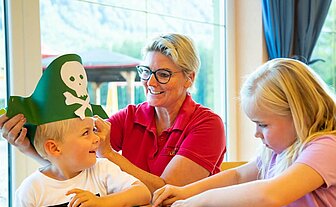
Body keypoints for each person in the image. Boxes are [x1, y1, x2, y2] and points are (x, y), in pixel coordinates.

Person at [0, 33, 226, 194]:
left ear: (189, 78)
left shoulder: (208, 125)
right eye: (145, 71)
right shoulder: (129, 117)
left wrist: (107, 153)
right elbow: (72, 162)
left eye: (164, 74)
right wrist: (26, 146)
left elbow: (167, 192)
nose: (151, 82)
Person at [152, 58, 336, 207]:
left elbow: (271, 194)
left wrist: (203, 199)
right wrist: (186, 192)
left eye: (263, 124)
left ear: (298, 115)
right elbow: (238, 175)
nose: (256, 133)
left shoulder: (328, 147)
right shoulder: (278, 151)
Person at [9, 54, 151, 207]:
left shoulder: (101, 169)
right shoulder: (31, 190)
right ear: (54, 148)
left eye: (93, 130)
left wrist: (100, 203)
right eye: (86, 133)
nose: (97, 138)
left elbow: (142, 193)